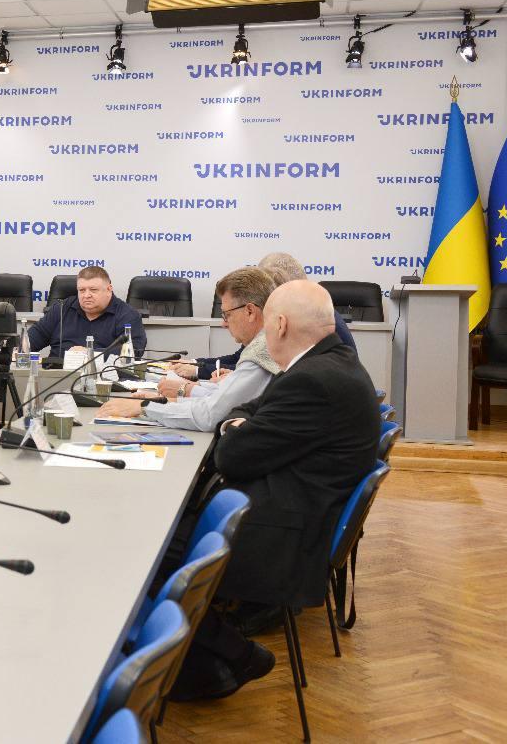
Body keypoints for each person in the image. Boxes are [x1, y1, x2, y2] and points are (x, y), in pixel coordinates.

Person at [167, 280, 379, 702]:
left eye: (267, 324)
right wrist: (237, 425)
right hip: (289, 507)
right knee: (171, 530)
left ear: (279, 324)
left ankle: (228, 657)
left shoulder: (314, 380)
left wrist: (234, 430)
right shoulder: (324, 364)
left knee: (158, 550)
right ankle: (215, 659)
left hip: (285, 533)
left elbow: (233, 456)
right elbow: (246, 411)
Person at [100, 268, 279, 431]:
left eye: (227, 315)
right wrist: (164, 400)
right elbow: (218, 399)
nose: (224, 323)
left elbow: (210, 416)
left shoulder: (262, 353)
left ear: (250, 311)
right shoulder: (265, 344)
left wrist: (144, 407)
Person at [174, 252, 357, 381]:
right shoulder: (301, 314)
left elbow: (264, 369)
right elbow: (248, 361)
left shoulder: (306, 321)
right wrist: (196, 364)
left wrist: (198, 374)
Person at [26, 266, 147, 358]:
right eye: (82, 290)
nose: (86, 295)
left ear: (109, 289)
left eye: (93, 290)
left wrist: (90, 353)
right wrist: (20, 348)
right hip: (56, 375)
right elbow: (32, 339)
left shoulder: (127, 315)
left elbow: (134, 351)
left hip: (103, 378)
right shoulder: (62, 308)